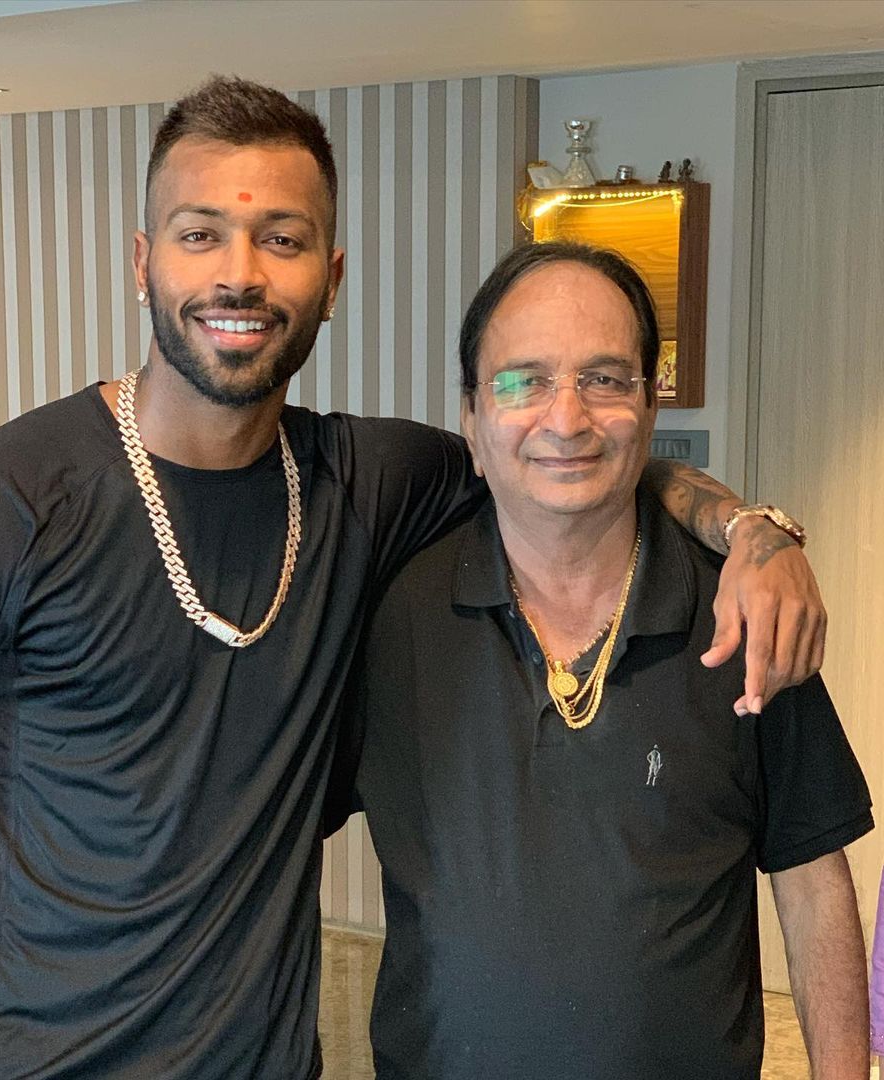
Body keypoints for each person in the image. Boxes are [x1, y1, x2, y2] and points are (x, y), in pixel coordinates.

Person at [0, 78, 825, 1080]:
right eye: (200, 234)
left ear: (331, 279)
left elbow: (567, 456)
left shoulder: (374, 483)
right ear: (142, 262)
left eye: (283, 239)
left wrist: (750, 530)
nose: (240, 274)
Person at [343, 242, 871, 1079]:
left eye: (604, 379)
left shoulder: (739, 614)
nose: (566, 418)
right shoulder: (389, 615)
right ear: (471, 421)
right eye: (524, 382)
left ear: (650, 408)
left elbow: (811, 878)